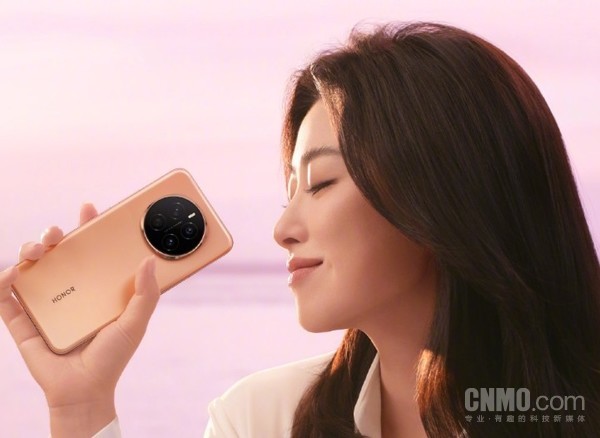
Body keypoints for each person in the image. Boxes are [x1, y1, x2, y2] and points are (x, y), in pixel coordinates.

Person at [1, 21, 599, 437]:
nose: (283, 228)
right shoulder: (261, 420)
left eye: (321, 183)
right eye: (289, 191)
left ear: (445, 192)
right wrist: (80, 409)